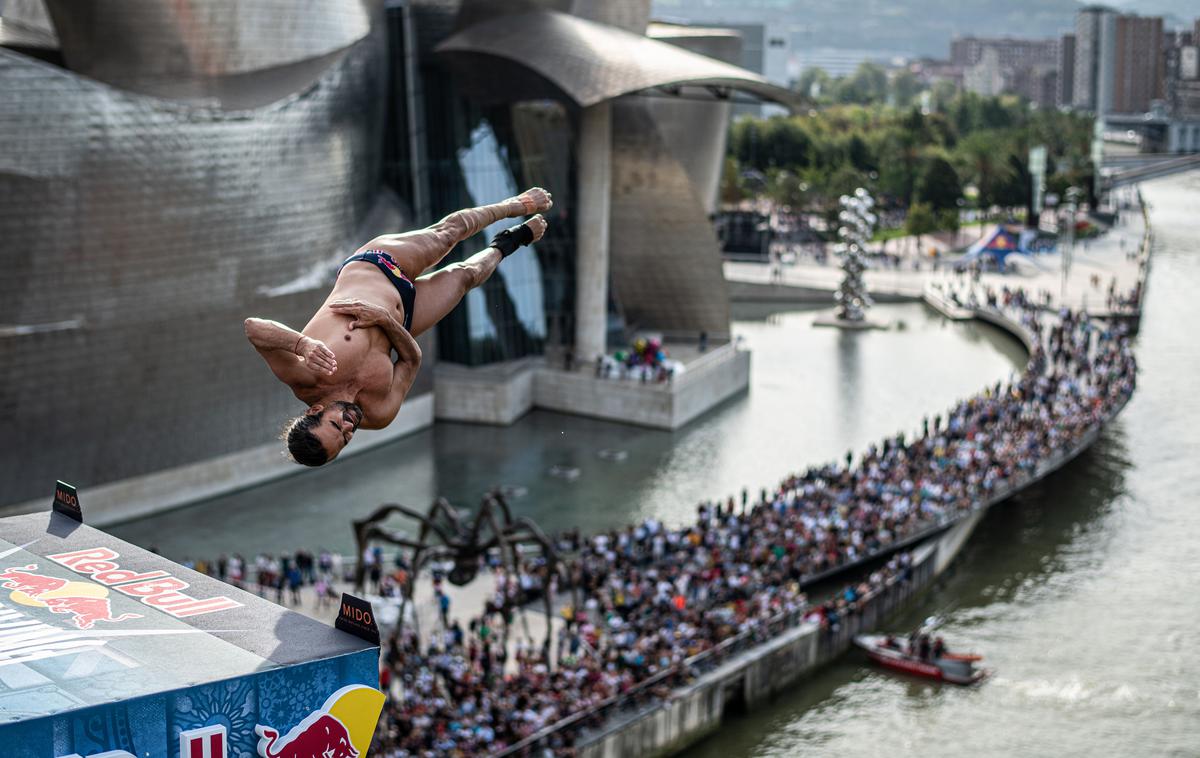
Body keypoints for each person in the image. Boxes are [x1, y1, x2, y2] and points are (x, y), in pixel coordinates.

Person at [245, 188, 553, 466]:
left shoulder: (304, 375)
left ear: (314, 412)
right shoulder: (379, 414)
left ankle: (515, 204)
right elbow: (412, 359)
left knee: (448, 234)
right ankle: (513, 240)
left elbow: (254, 328)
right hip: (402, 318)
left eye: (337, 426)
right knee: (465, 276)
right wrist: (384, 320)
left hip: (377, 267)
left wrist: (303, 344)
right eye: (346, 439)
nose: (350, 427)